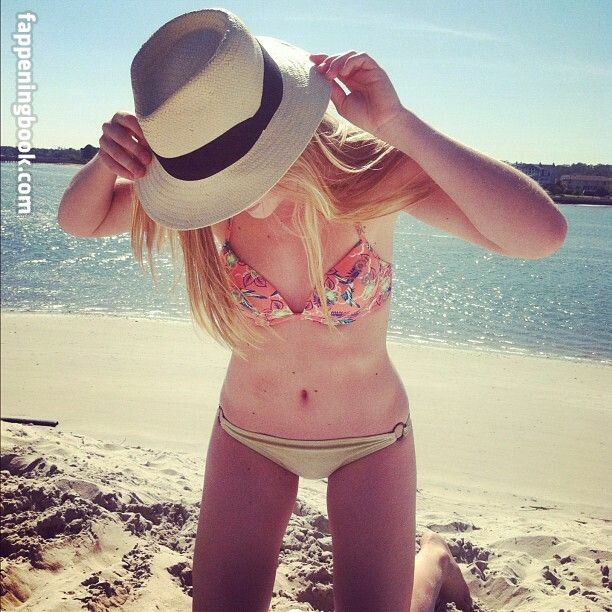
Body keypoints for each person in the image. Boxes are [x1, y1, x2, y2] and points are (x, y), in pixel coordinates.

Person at [57, 8, 567, 611]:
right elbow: (80, 219)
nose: (231, 198)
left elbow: (541, 234)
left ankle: (433, 561)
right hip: (249, 435)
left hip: (370, 441)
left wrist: (401, 126)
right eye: (217, 183)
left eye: (241, 176)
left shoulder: (368, 173)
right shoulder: (197, 196)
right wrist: (107, 162)